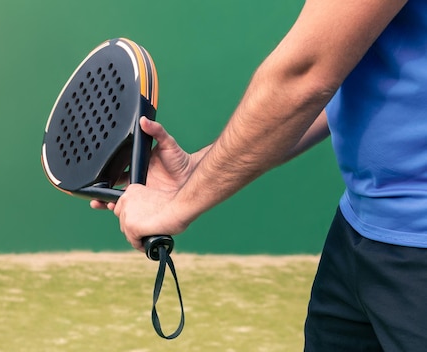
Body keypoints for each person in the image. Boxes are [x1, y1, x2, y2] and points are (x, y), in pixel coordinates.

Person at [91, 0, 427, 350]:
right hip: (359, 230)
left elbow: (306, 75)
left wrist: (177, 206)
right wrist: (195, 171)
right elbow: (335, 72)